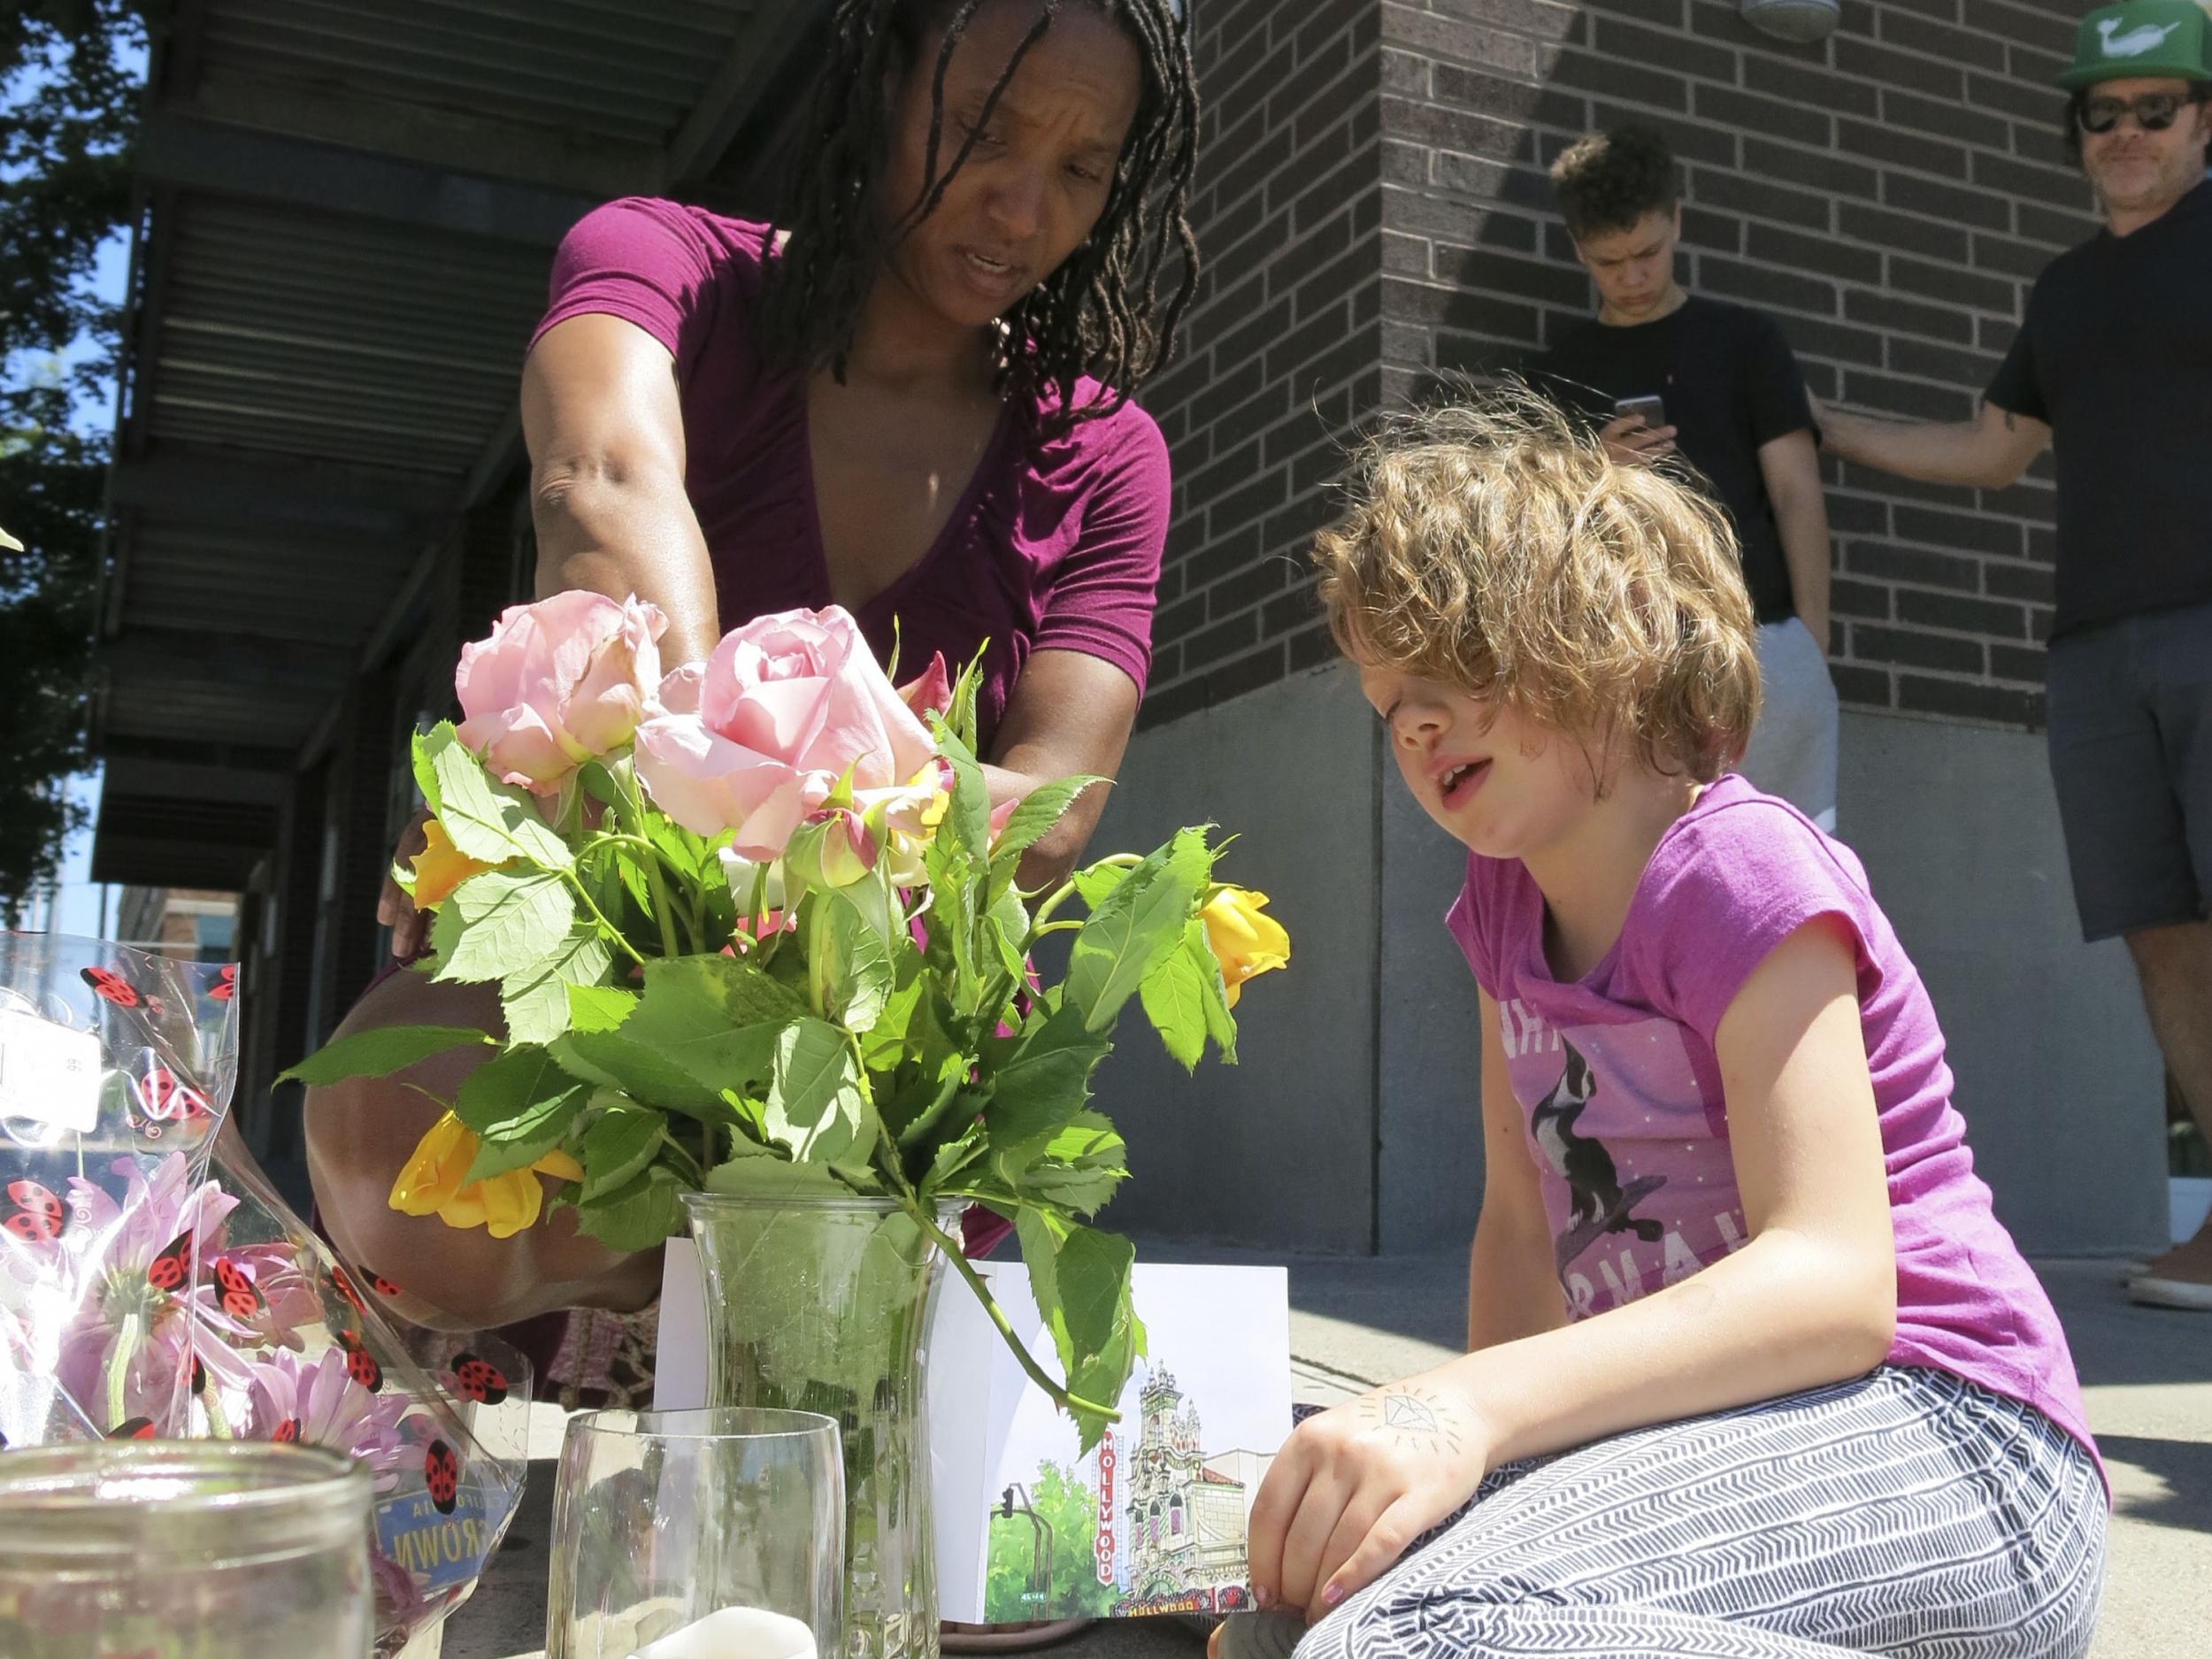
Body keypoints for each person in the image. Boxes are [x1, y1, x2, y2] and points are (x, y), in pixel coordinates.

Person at [303, 0, 1201, 1356]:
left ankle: (737, 1313)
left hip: (880, 1053)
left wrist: (792, 836)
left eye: (1083, 168)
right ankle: (628, 1309)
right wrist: (695, 782)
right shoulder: (666, 269)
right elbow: (602, 486)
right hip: (618, 987)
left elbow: (1054, 807)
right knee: (391, 1120)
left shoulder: (1105, 452)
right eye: (982, 129)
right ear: (883, 76)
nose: (1023, 208)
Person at [1210, 396, 2104, 1659]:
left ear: (1607, 626)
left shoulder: (1736, 867)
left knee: (1410, 1638)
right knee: (1309, 1608)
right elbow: (1521, 1227)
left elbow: (1838, 1280)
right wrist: (1465, 1466)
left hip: (1956, 1440)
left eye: (1453, 661)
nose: (1412, 721)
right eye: (1387, 698)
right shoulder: (1501, 913)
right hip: (1743, 1447)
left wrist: (1468, 1404)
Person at [1816, 0, 2212, 1312]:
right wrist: (1828, 427)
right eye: (2103, 115)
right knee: (2161, 931)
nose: (2127, 135)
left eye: (2155, 109)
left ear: (2203, 117)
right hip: (2096, 648)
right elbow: (1994, 449)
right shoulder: (2065, 289)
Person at [1534, 124, 1839, 830]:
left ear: (1678, 220)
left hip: (1762, 646)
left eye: (1648, 252)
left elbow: (1798, 491)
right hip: (1619, 667)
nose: (1634, 277)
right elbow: (1533, 530)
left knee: (1784, 871)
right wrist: (1592, 471)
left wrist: (1811, 640)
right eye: (1611, 263)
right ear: (1579, 250)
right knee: (1644, 884)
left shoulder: (1745, 343)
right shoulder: (1554, 375)